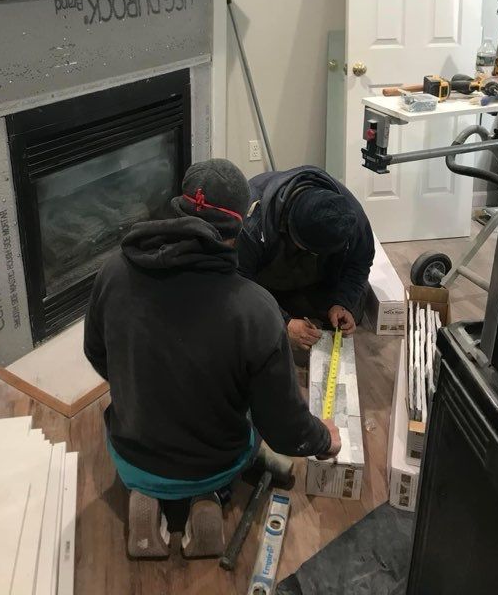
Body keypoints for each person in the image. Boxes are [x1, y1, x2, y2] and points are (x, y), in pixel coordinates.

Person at [84, 159, 340, 560]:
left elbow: (97, 354)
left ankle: (146, 494)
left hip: (133, 454)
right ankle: (210, 497)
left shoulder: (113, 272)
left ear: (179, 207)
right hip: (216, 462)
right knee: (250, 421)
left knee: (141, 423)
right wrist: (324, 438)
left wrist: (142, 381)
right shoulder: (255, 308)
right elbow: (284, 426)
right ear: (244, 221)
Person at [237, 166, 374, 352]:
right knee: (248, 327)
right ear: (291, 226)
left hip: (318, 275)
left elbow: (360, 262)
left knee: (349, 314)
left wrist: (342, 303)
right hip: (264, 277)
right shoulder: (252, 220)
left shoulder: (351, 218)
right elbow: (240, 280)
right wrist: (284, 323)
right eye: (310, 249)